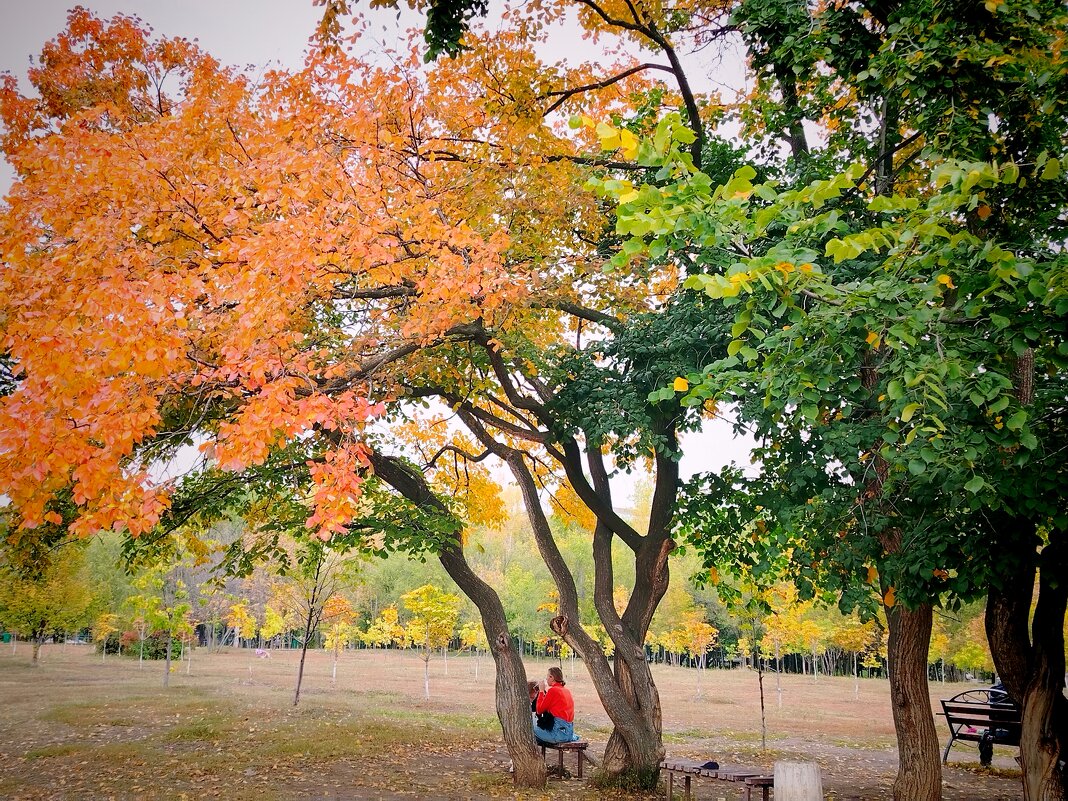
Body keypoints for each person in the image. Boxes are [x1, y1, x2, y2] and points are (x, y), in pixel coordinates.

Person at [533, 666, 580, 744]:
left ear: (552, 677)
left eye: (547, 676)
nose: (546, 679)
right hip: (568, 733)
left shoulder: (553, 690)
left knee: (529, 729)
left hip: (557, 734)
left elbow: (539, 710)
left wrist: (541, 691)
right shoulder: (566, 691)